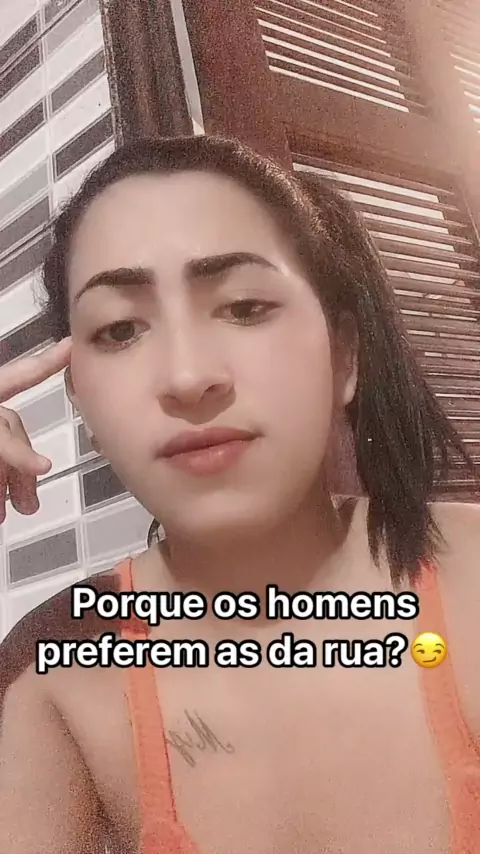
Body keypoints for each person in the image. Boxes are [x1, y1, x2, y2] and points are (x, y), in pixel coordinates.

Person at [0, 134, 479, 854]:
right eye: (121, 329)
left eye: (246, 307)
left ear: (345, 355)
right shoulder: (53, 672)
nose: (188, 377)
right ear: (82, 404)